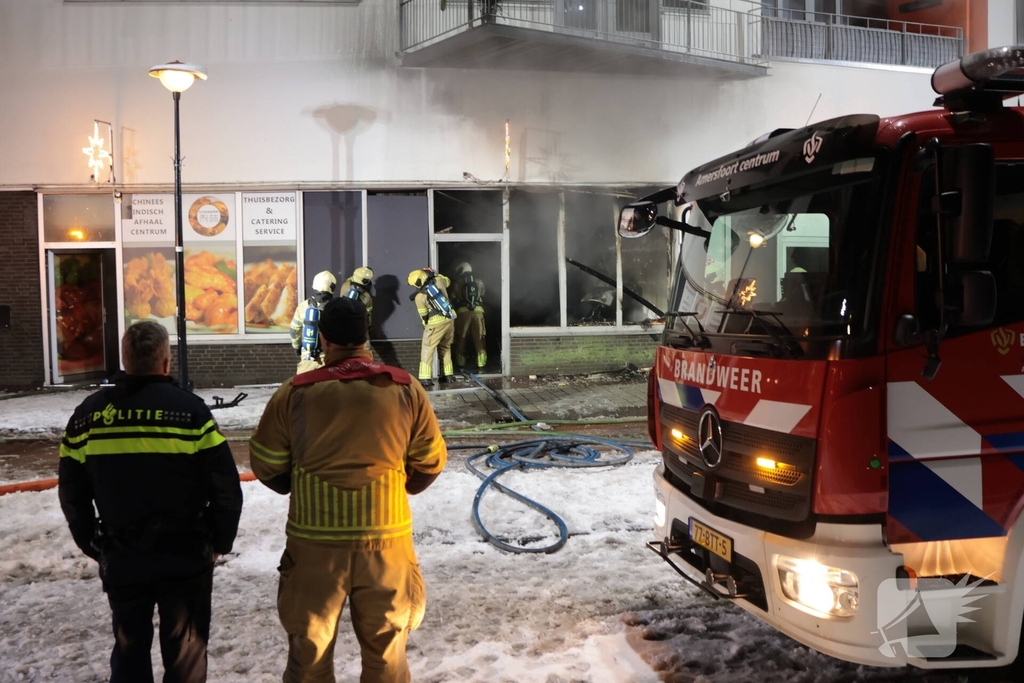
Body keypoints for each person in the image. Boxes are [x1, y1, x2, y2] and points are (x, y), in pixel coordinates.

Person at [249, 296, 447, 683]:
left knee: (309, 661)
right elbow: (430, 463)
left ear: (323, 339)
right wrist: (399, 484)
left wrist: (301, 483)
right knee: (387, 661)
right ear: (366, 335)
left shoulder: (296, 392)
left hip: (314, 551)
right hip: (386, 548)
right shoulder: (405, 389)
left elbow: (265, 464)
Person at [58, 320, 243, 683]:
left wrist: (90, 542)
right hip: (185, 557)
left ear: (125, 361)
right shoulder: (190, 413)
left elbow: (71, 491)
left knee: (129, 653)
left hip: (122, 554)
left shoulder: (88, 416)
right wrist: (218, 541)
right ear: (165, 362)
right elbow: (226, 488)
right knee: (186, 658)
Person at [407, 267, 456, 387]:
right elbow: (447, 280)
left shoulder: (419, 297)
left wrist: (426, 324)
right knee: (446, 347)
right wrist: (434, 274)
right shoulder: (439, 281)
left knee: (427, 349)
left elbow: (423, 314)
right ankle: (448, 375)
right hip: (449, 320)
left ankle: (425, 378)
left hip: (434, 324)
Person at [290, 270, 337, 374]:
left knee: (303, 388)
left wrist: (297, 347)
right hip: (330, 360)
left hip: (308, 359)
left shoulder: (303, 306)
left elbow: (294, 331)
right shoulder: (337, 307)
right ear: (332, 287)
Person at [449, 262, 487, 371]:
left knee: (462, 337)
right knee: (479, 337)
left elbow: (453, 297)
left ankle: (460, 363)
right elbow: (483, 294)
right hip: (478, 312)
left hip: (463, 312)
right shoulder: (479, 282)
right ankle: (481, 363)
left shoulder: (458, 283)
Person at [340, 266, 375, 331]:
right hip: (358, 327)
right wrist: (369, 327)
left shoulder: (345, 285)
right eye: (367, 280)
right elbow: (367, 315)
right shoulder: (366, 296)